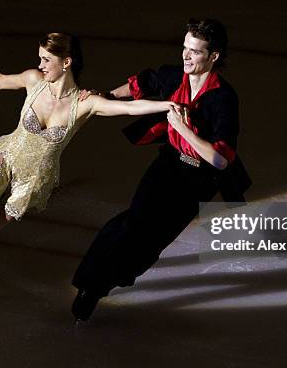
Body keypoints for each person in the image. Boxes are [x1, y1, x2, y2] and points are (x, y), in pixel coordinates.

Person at [0, 28, 179, 302]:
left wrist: (166, 106)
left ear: (66, 62)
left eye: (46, 59)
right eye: (40, 58)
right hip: (6, 158)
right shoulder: (34, 80)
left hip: (34, 179)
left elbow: (129, 108)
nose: (40, 64)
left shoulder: (83, 103)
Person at [71, 18, 251, 320]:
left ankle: (111, 279)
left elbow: (221, 159)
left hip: (199, 180)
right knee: (132, 224)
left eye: (194, 52)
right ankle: (91, 286)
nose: (186, 56)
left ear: (213, 56)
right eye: (184, 48)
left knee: (152, 242)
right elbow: (140, 85)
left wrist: (183, 129)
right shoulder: (173, 77)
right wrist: (104, 97)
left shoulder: (223, 98)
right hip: (169, 165)